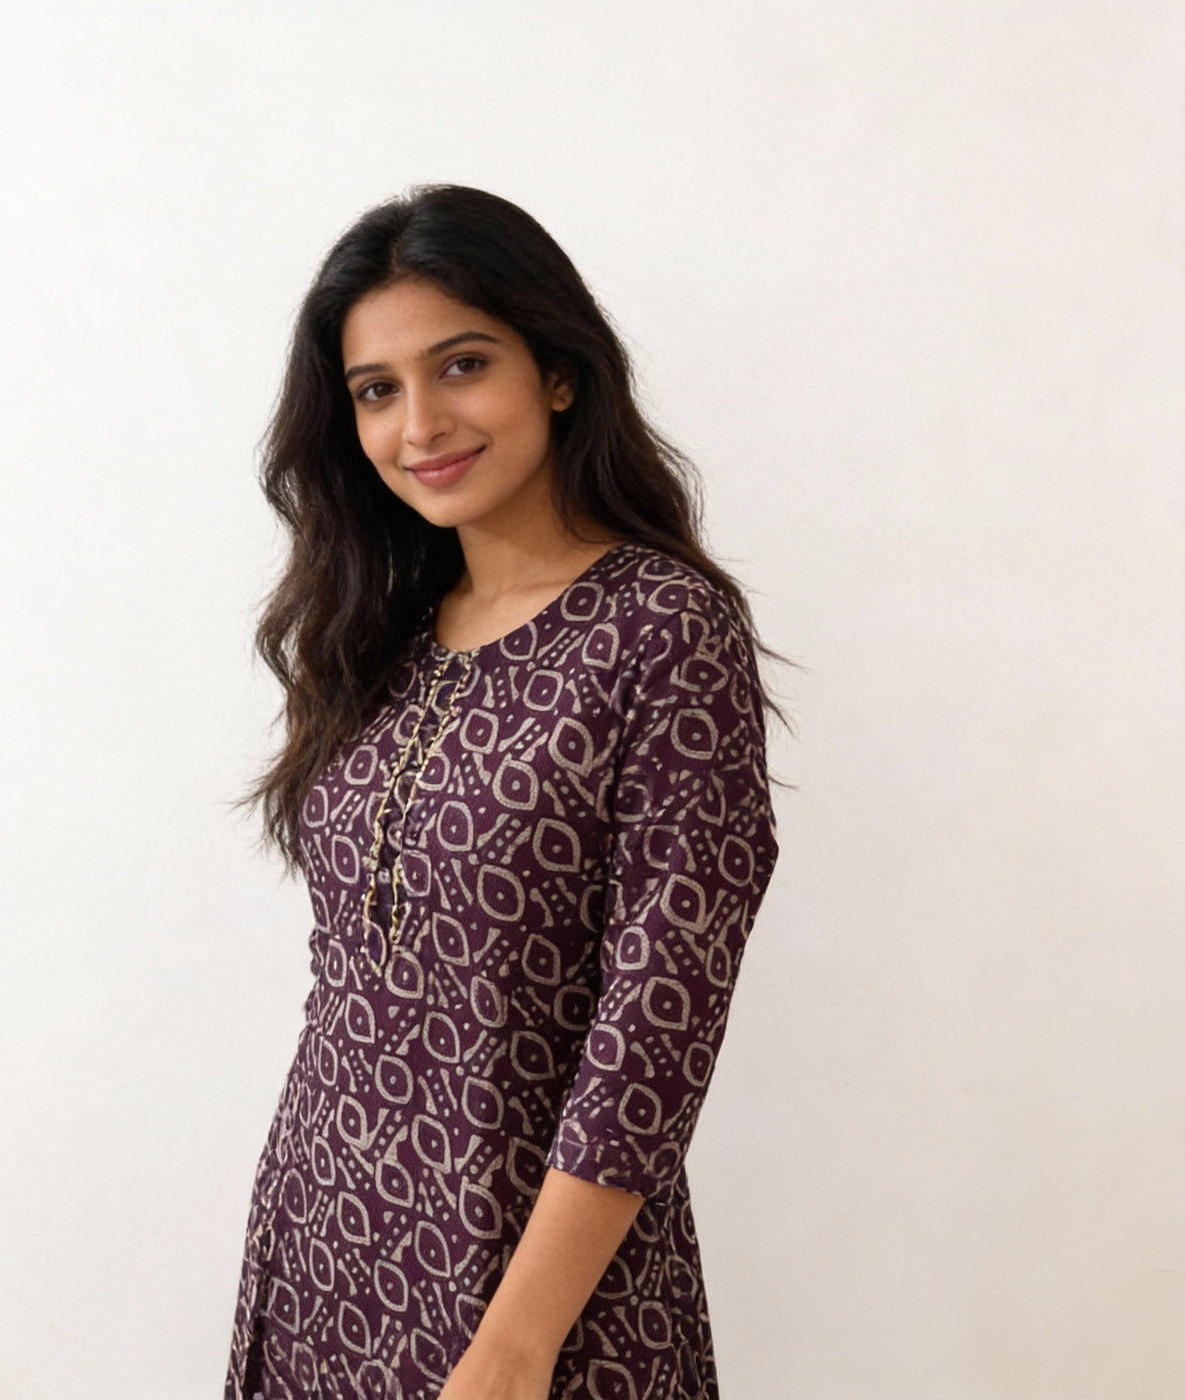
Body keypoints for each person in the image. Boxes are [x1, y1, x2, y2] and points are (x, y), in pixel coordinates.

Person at [225, 184, 781, 1400]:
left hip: (530, 1286)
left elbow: (654, 1027)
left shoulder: (660, 629)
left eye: (461, 365)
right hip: (326, 1250)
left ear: (557, 372)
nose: (419, 422)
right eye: (376, 389)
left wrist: (518, 1343)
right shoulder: (385, 635)